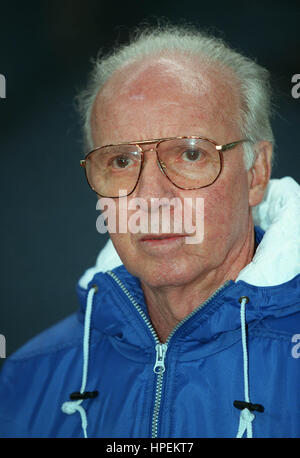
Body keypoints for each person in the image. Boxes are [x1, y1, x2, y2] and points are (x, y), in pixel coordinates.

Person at [0, 24, 299, 439]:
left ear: (256, 173)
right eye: (121, 162)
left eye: (191, 154)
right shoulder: (27, 380)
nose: (151, 200)